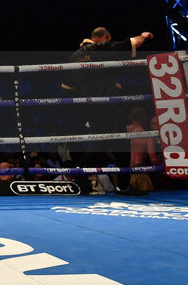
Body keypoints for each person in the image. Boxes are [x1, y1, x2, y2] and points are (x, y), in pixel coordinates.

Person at [61, 27, 155, 193]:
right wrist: (143, 35)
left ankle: (82, 177)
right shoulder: (101, 49)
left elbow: (68, 89)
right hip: (109, 106)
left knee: (102, 142)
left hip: (88, 108)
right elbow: (132, 43)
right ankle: (123, 186)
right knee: (119, 143)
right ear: (105, 38)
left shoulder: (73, 57)